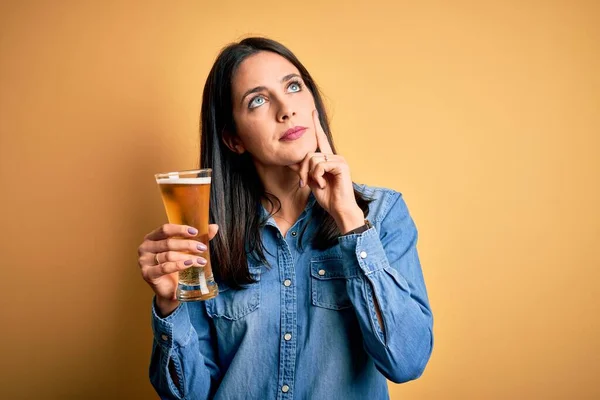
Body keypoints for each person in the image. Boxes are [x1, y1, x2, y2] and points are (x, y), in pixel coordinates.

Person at [137, 37, 434, 400]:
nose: (285, 109)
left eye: (293, 86)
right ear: (233, 139)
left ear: (313, 103)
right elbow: (189, 396)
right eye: (257, 100)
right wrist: (169, 307)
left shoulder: (381, 214)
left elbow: (407, 362)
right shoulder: (204, 235)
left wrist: (350, 223)